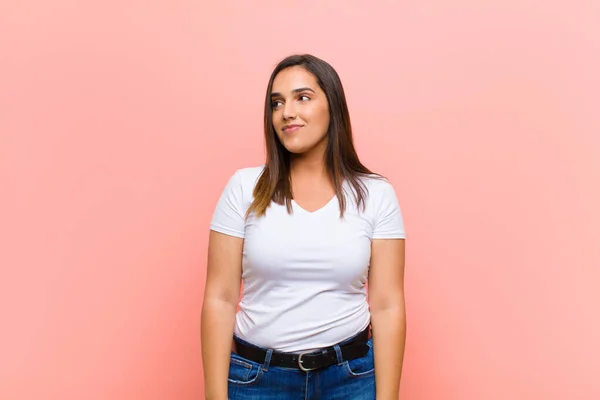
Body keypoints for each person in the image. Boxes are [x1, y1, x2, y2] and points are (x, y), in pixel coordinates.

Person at [201, 53, 406, 400]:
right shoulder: (244, 188)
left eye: (303, 98)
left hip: (350, 378)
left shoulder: (376, 194)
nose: (287, 112)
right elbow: (220, 298)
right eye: (276, 103)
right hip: (257, 381)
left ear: (333, 107)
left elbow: (387, 304)